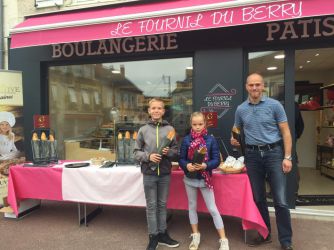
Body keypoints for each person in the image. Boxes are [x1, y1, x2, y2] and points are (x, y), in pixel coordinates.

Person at [231, 73, 293, 250]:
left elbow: (286, 132)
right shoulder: (241, 109)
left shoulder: (275, 106)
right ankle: (265, 234)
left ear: (263, 86)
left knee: (280, 201)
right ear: (246, 87)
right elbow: (236, 129)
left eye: (258, 85)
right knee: (258, 199)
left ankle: (286, 241)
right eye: (251, 85)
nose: (255, 88)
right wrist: (234, 138)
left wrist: (287, 157)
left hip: (274, 154)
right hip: (252, 156)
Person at [179, 112, 229, 250]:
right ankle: (195, 235)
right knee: (192, 207)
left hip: (205, 179)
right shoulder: (186, 139)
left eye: (200, 124)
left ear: (205, 124)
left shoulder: (211, 140)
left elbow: (216, 160)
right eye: (194, 124)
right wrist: (186, 165)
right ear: (191, 124)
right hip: (190, 179)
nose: (197, 127)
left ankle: (223, 239)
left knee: (213, 209)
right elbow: (181, 158)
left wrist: (206, 166)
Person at [134, 98, 180, 250]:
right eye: (153, 108)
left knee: (162, 205)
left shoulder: (170, 130)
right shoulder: (143, 130)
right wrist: (148, 157)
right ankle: (153, 236)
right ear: (149, 111)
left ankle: (163, 233)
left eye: (159, 108)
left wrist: (170, 152)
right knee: (152, 206)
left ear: (163, 111)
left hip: (165, 173)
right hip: (149, 173)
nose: (156, 111)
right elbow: (135, 152)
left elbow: (176, 152)